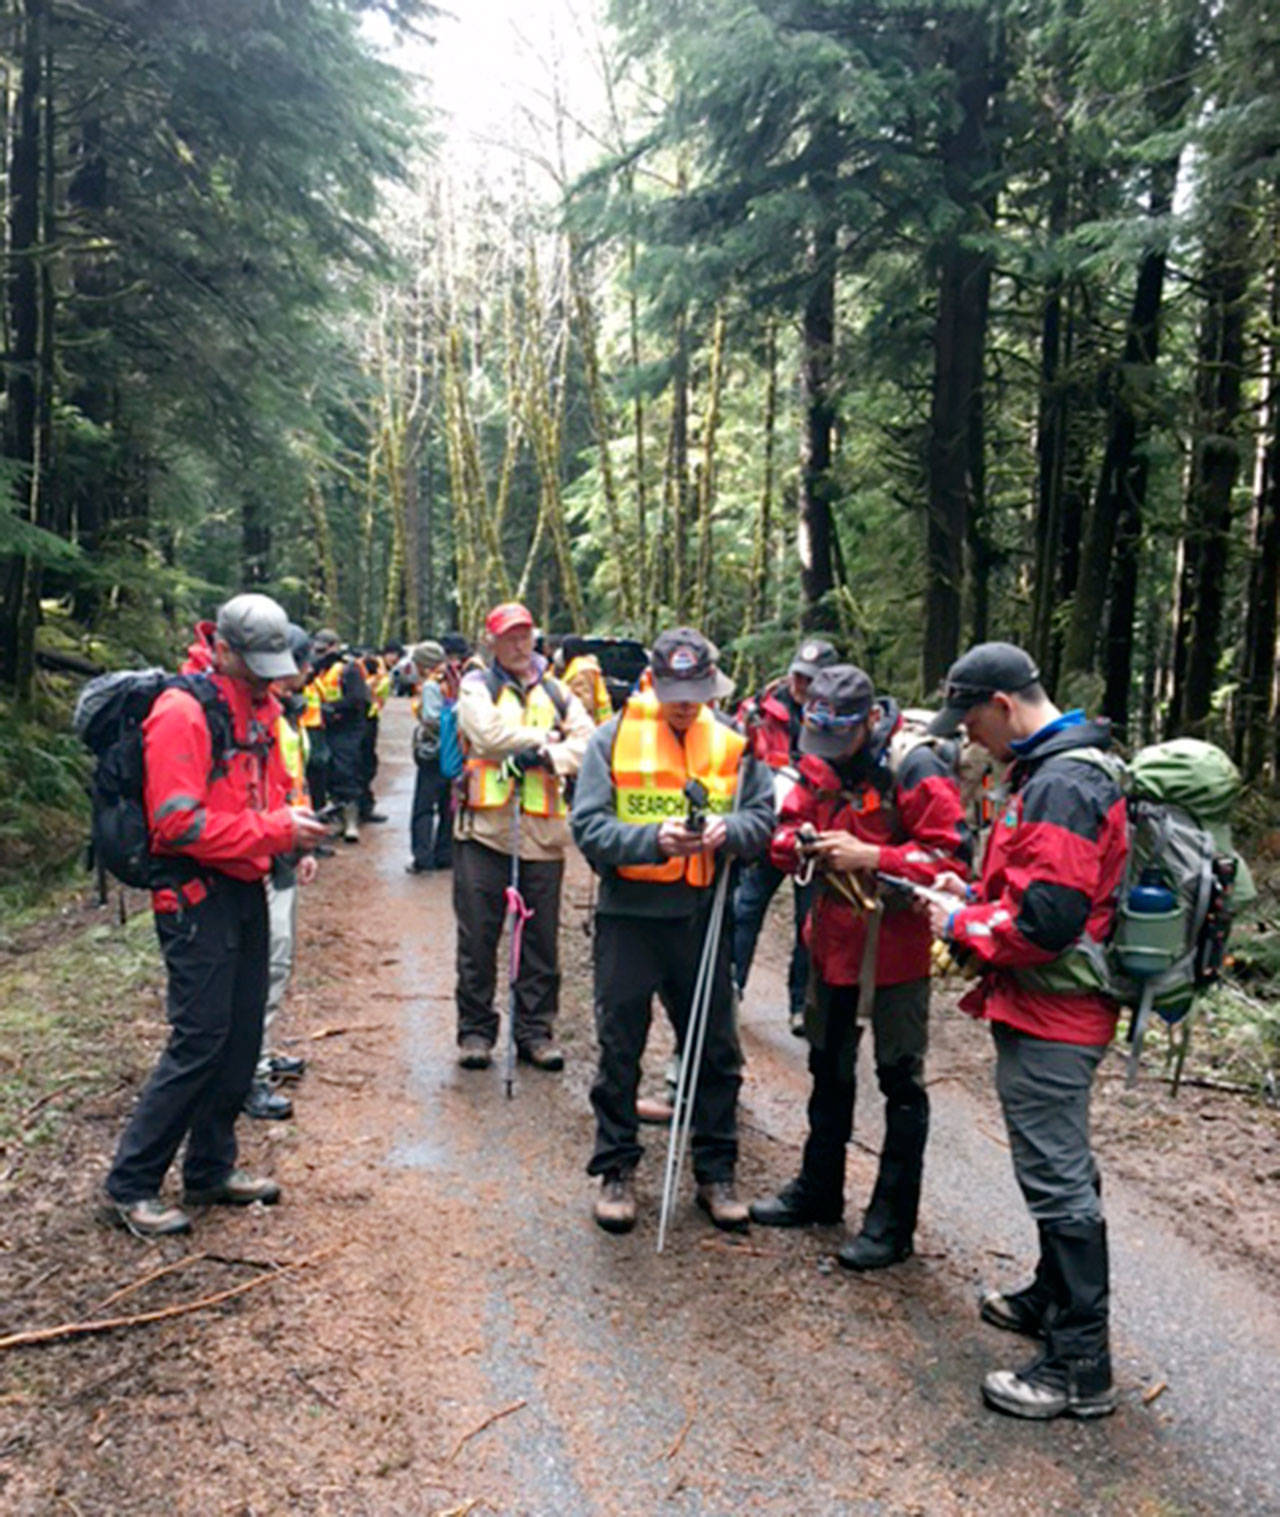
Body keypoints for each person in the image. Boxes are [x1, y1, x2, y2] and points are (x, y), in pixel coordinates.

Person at [924, 642, 1127, 1420]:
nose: (970, 737)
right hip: (1042, 1003)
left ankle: (1080, 1367)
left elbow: (1047, 921)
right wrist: (970, 891)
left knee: (1057, 1173)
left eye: (973, 720)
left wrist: (960, 920)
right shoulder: (1051, 770)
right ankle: (1052, 1298)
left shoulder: (1066, 782)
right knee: (1058, 1164)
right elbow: (1035, 887)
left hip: (1057, 1013)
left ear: (1004, 705)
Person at [101, 594, 329, 1238]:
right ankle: (130, 1184)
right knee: (199, 1039)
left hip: (246, 885)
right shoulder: (181, 713)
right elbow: (177, 823)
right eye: (253, 665)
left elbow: (278, 785)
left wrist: (294, 830)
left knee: (239, 1039)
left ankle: (209, 1169)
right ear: (221, 648)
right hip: (193, 895)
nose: (266, 677)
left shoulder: (259, 706)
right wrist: (273, 831)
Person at [750, 665, 970, 1271]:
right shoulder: (819, 758)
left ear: (869, 721)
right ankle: (818, 1191)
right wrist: (797, 844)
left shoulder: (915, 768)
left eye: (838, 741)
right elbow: (786, 820)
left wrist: (872, 854)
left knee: (900, 1082)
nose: (825, 754)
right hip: (830, 940)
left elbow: (952, 860)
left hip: (895, 951)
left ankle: (890, 1226)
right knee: (827, 1066)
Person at [571, 629, 775, 1235]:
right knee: (619, 1047)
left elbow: (762, 823)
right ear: (653, 683)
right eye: (674, 691)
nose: (684, 703)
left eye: (696, 691)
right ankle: (616, 1170)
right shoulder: (610, 741)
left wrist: (727, 832)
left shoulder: (737, 746)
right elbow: (588, 827)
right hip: (629, 916)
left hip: (701, 915)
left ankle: (716, 1172)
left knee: (715, 1050)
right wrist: (652, 840)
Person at [453, 602, 593, 1071]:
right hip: (484, 832)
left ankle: (536, 1031)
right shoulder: (477, 685)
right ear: (492, 641)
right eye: (510, 636)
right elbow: (486, 735)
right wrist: (545, 738)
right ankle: (475, 1030)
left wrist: (549, 758)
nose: (519, 644)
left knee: (541, 941)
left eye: (525, 634)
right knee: (478, 937)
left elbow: (589, 741)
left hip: (543, 834)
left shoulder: (557, 691)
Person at [733, 639, 838, 1034]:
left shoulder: (838, 715)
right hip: (766, 829)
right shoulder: (760, 709)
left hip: (814, 835)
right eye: (797, 674)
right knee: (745, 910)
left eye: (809, 679)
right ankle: (732, 989)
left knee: (809, 923)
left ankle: (800, 1005)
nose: (800, 683)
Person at [245, 622, 318, 1121]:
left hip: (285, 851)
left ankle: (261, 1056)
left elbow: (292, 782)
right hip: (262, 855)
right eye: (304, 663)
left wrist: (304, 841)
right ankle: (249, 1075)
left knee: (278, 961)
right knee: (266, 964)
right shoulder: (259, 719)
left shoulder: (285, 716)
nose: (310, 673)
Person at [407, 639, 458, 874]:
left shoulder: (430, 685)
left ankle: (422, 857)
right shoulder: (452, 679)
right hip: (452, 752)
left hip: (433, 753)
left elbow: (431, 719)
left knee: (423, 807)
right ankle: (444, 853)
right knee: (448, 805)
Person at [320, 639, 372, 843]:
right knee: (331, 774)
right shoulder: (320, 671)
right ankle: (339, 820)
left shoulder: (348, 670)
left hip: (348, 729)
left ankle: (351, 823)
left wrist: (334, 707)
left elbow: (358, 699)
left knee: (347, 772)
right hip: (329, 728)